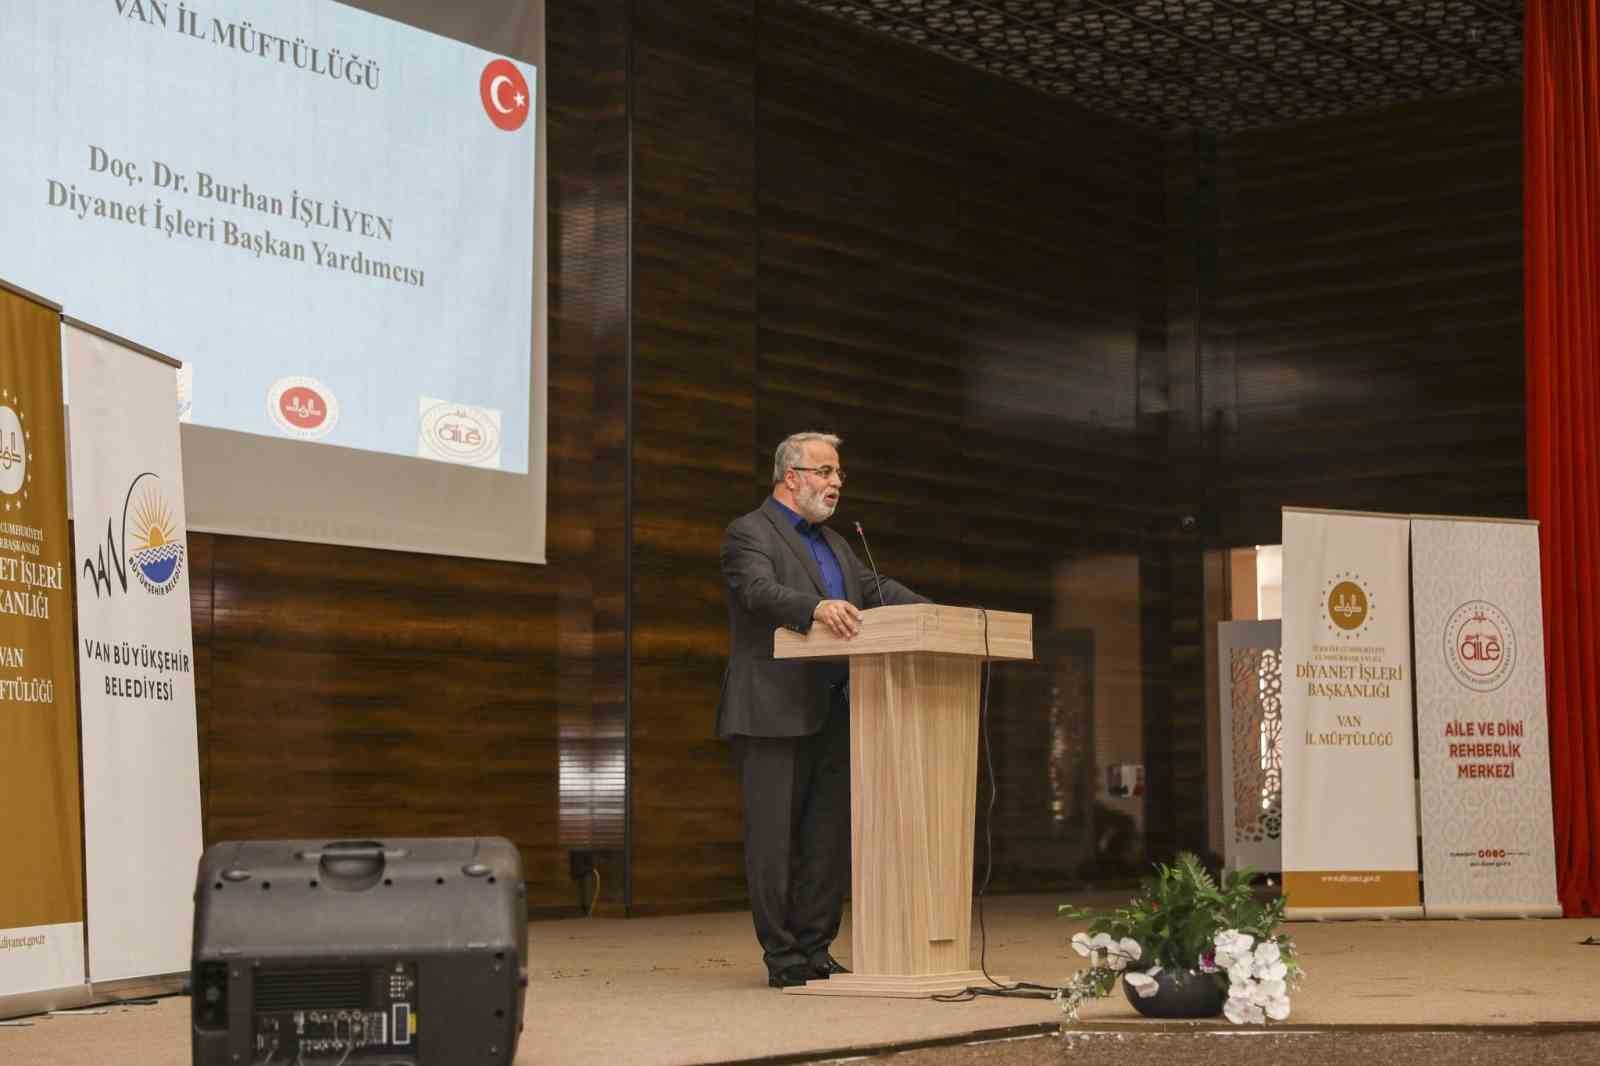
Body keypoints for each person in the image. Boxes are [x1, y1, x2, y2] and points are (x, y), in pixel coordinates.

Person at [717, 431, 928, 988]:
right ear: (792, 476)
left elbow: (872, 588)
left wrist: (940, 613)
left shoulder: (835, 541)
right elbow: (757, 592)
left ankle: (815, 949)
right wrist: (816, 606)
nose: (837, 483)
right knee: (774, 842)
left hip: (835, 709)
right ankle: (783, 957)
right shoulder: (748, 532)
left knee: (826, 841)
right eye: (826, 472)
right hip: (770, 709)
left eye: (838, 474)